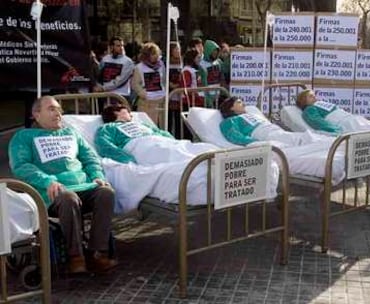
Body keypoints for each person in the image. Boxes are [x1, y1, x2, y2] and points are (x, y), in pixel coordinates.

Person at [8, 96, 116, 274]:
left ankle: (97, 253)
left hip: (83, 186)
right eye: (51, 109)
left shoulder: (71, 133)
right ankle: (76, 257)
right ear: (36, 114)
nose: (58, 114)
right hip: (49, 193)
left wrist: (96, 175)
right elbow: (21, 166)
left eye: (59, 110)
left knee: (106, 193)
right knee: (68, 198)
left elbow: (90, 158)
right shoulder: (24, 137)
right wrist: (48, 180)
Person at [94, 105, 217, 165]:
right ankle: (202, 163)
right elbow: (105, 146)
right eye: (128, 112)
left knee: (193, 147)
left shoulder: (141, 123)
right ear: (117, 113)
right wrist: (127, 159)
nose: (131, 115)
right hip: (140, 146)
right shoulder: (107, 128)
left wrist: (174, 142)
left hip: (159, 141)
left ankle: (214, 156)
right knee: (170, 153)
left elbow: (160, 132)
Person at [219, 97, 324, 146]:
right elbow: (236, 137)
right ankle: (324, 144)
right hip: (264, 135)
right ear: (231, 108)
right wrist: (258, 143)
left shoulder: (250, 113)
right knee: (299, 140)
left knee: (299, 138)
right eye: (239, 102)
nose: (243, 104)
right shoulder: (230, 121)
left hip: (273, 129)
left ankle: (325, 143)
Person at [296, 89, 370, 134]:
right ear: (303, 100)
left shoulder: (318, 104)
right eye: (310, 96)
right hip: (345, 123)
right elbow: (318, 122)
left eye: (314, 95)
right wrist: (336, 131)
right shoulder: (309, 110)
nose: (315, 97)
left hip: (351, 118)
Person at [131, 42, 166, 128]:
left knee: (161, 126)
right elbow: (135, 84)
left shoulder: (161, 65)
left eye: (157, 53)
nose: (156, 56)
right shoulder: (139, 67)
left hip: (160, 99)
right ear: (146, 55)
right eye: (153, 54)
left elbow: (164, 80)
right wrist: (144, 94)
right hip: (146, 102)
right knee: (147, 126)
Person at [95, 36, 135, 103]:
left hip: (121, 95)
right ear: (111, 47)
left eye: (122, 45)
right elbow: (99, 75)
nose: (121, 48)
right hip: (105, 94)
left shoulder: (128, 62)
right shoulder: (105, 59)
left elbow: (120, 80)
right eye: (118, 46)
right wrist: (98, 85)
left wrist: (103, 88)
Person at [167, 41, 183, 136]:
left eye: (179, 48)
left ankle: (178, 136)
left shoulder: (182, 61)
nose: (178, 51)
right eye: (176, 49)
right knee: (169, 118)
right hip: (169, 93)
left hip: (179, 93)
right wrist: (170, 84)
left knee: (178, 118)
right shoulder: (165, 62)